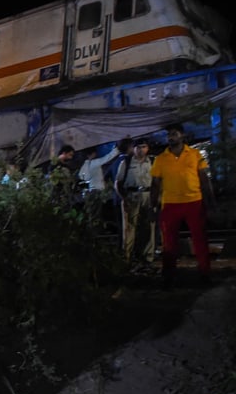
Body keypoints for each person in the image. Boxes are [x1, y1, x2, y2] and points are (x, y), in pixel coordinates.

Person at [150, 123, 216, 287]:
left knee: (200, 239)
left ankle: (205, 273)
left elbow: (204, 179)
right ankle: (168, 276)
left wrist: (211, 203)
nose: (171, 137)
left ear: (182, 136)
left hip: (194, 201)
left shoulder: (195, 154)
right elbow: (155, 183)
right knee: (169, 242)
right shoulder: (160, 159)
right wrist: (153, 206)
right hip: (170, 203)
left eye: (174, 134)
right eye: (169, 135)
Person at [114, 137, 156, 269]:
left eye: (144, 147)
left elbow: (158, 182)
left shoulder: (153, 161)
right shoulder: (126, 162)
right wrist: (124, 198)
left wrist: (157, 198)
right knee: (129, 228)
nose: (141, 150)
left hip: (148, 195)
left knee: (149, 227)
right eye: (138, 147)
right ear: (134, 149)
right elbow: (118, 183)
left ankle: (147, 257)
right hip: (131, 195)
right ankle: (126, 257)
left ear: (147, 148)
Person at [76, 141, 123, 226]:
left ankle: (92, 229)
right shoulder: (95, 163)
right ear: (92, 154)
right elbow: (107, 158)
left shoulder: (85, 165)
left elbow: (82, 177)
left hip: (90, 191)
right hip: (97, 191)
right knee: (97, 213)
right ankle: (95, 229)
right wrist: (116, 150)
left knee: (92, 212)